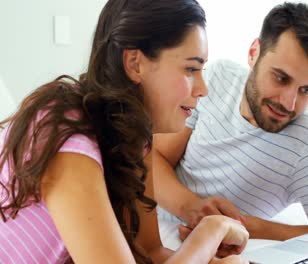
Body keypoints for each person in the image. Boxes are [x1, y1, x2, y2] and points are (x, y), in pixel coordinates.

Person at [0, 0, 248, 263]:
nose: (203, 89)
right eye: (190, 69)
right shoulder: (66, 137)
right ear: (134, 63)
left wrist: (210, 255)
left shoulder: (132, 136)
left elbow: (148, 252)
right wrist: (211, 231)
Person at [154, 2, 308, 246]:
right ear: (253, 53)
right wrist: (192, 209)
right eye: (281, 78)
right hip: (148, 222)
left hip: (207, 248)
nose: (289, 104)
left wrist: (250, 227)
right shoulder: (216, 78)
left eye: (305, 90)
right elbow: (156, 158)